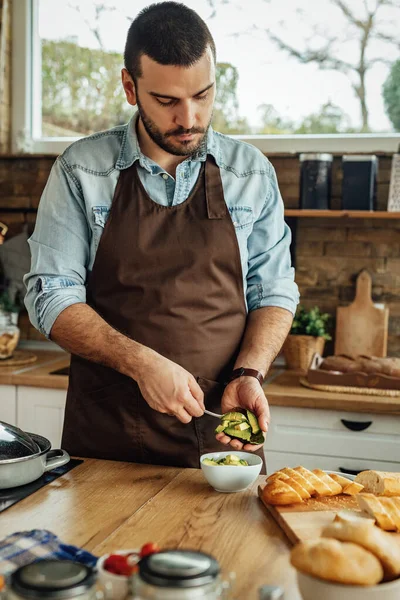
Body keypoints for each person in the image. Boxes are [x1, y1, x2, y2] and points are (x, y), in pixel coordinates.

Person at [24, 1, 299, 470]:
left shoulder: (250, 172)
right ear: (130, 87)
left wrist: (250, 371)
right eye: (167, 101)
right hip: (104, 445)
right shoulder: (82, 170)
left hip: (219, 441)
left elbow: (272, 290)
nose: (189, 118)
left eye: (203, 95)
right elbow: (50, 296)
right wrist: (141, 364)